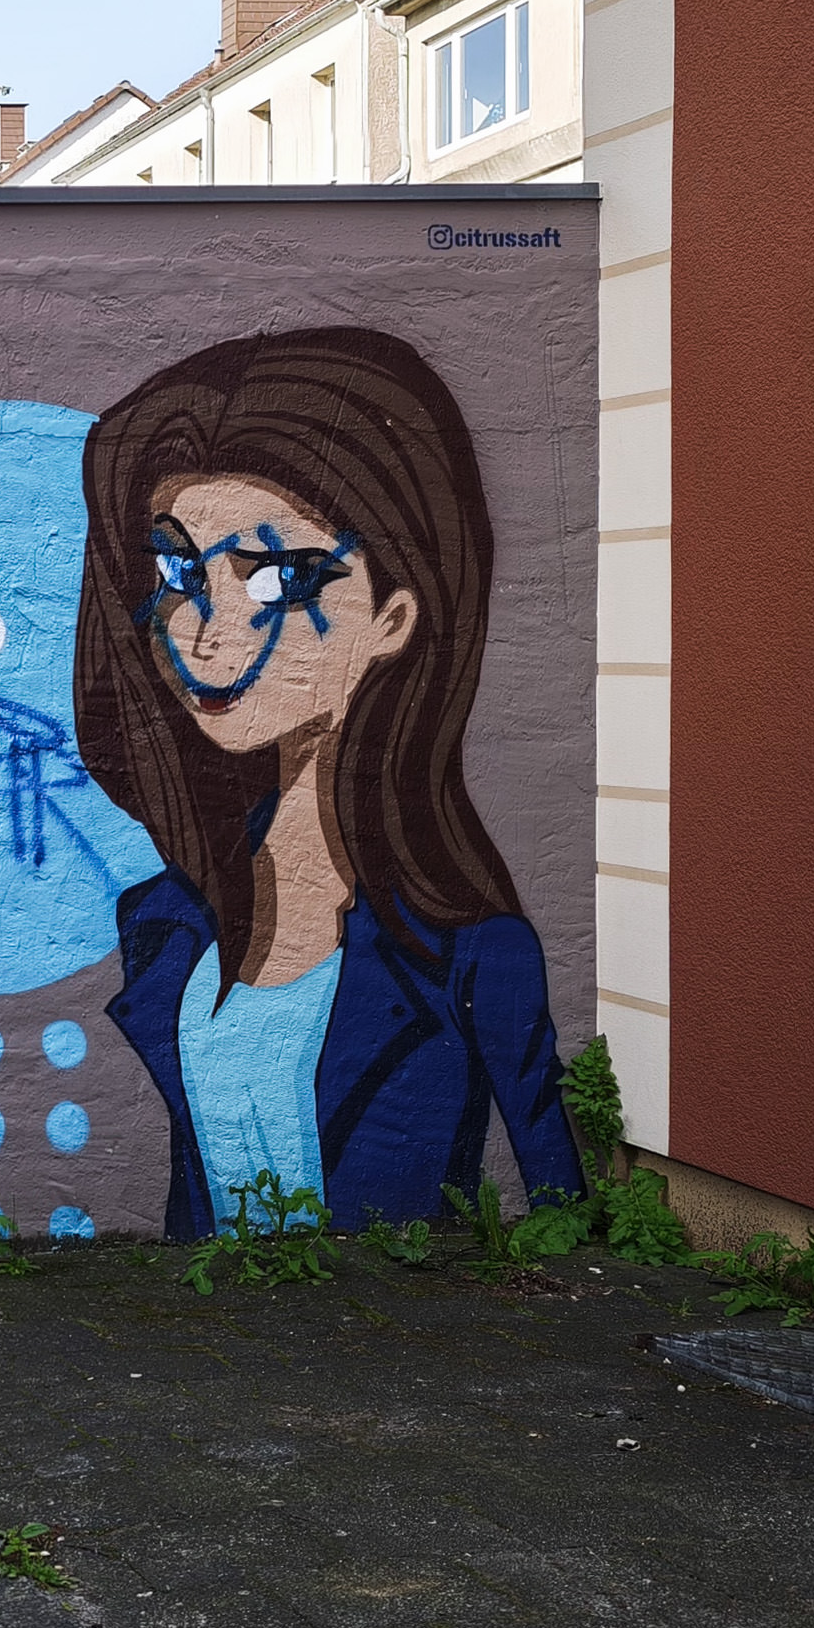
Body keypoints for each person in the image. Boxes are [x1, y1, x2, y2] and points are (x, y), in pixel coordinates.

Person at [69, 328, 581, 1238]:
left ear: (394, 617)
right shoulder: (166, 922)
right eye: (178, 568)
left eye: (278, 578)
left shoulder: (471, 952)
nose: (206, 631)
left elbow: (560, 1212)